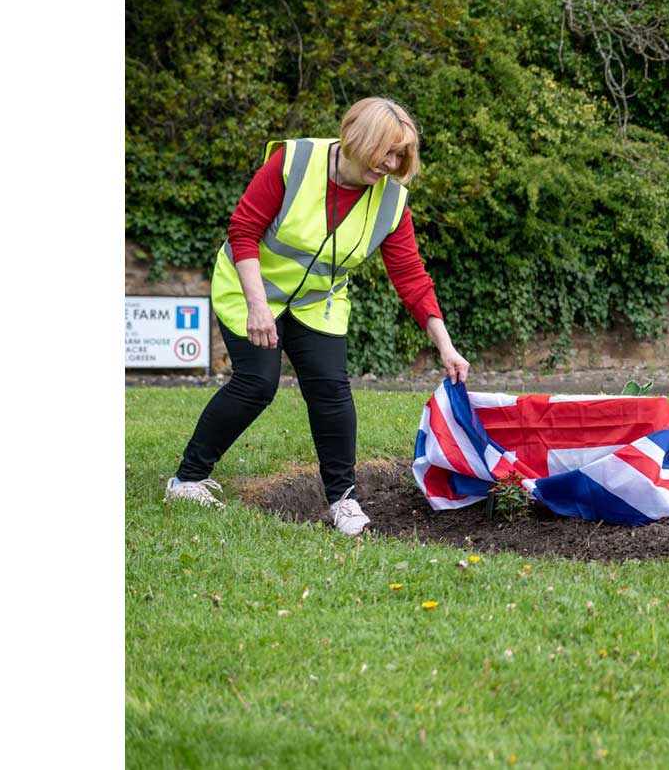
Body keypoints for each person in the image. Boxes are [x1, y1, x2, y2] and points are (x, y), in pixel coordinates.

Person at [165, 97, 470, 534]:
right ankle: (188, 479)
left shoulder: (392, 201)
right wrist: (257, 307)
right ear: (357, 138)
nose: (390, 163)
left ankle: (343, 501)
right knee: (257, 382)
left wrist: (446, 345)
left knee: (331, 390)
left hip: (316, 302)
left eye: (400, 155)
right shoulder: (295, 161)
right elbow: (244, 230)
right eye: (386, 150)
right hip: (248, 287)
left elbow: (411, 277)